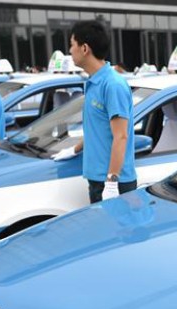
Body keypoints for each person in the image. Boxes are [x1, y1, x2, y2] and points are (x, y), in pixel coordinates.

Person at [52, 20, 136, 203]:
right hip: (99, 179)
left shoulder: (112, 85)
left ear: (84, 48)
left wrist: (112, 183)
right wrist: (74, 149)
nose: (70, 51)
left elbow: (121, 136)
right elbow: (98, 128)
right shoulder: (92, 82)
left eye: (72, 45)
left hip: (113, 182)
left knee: (116, 232)